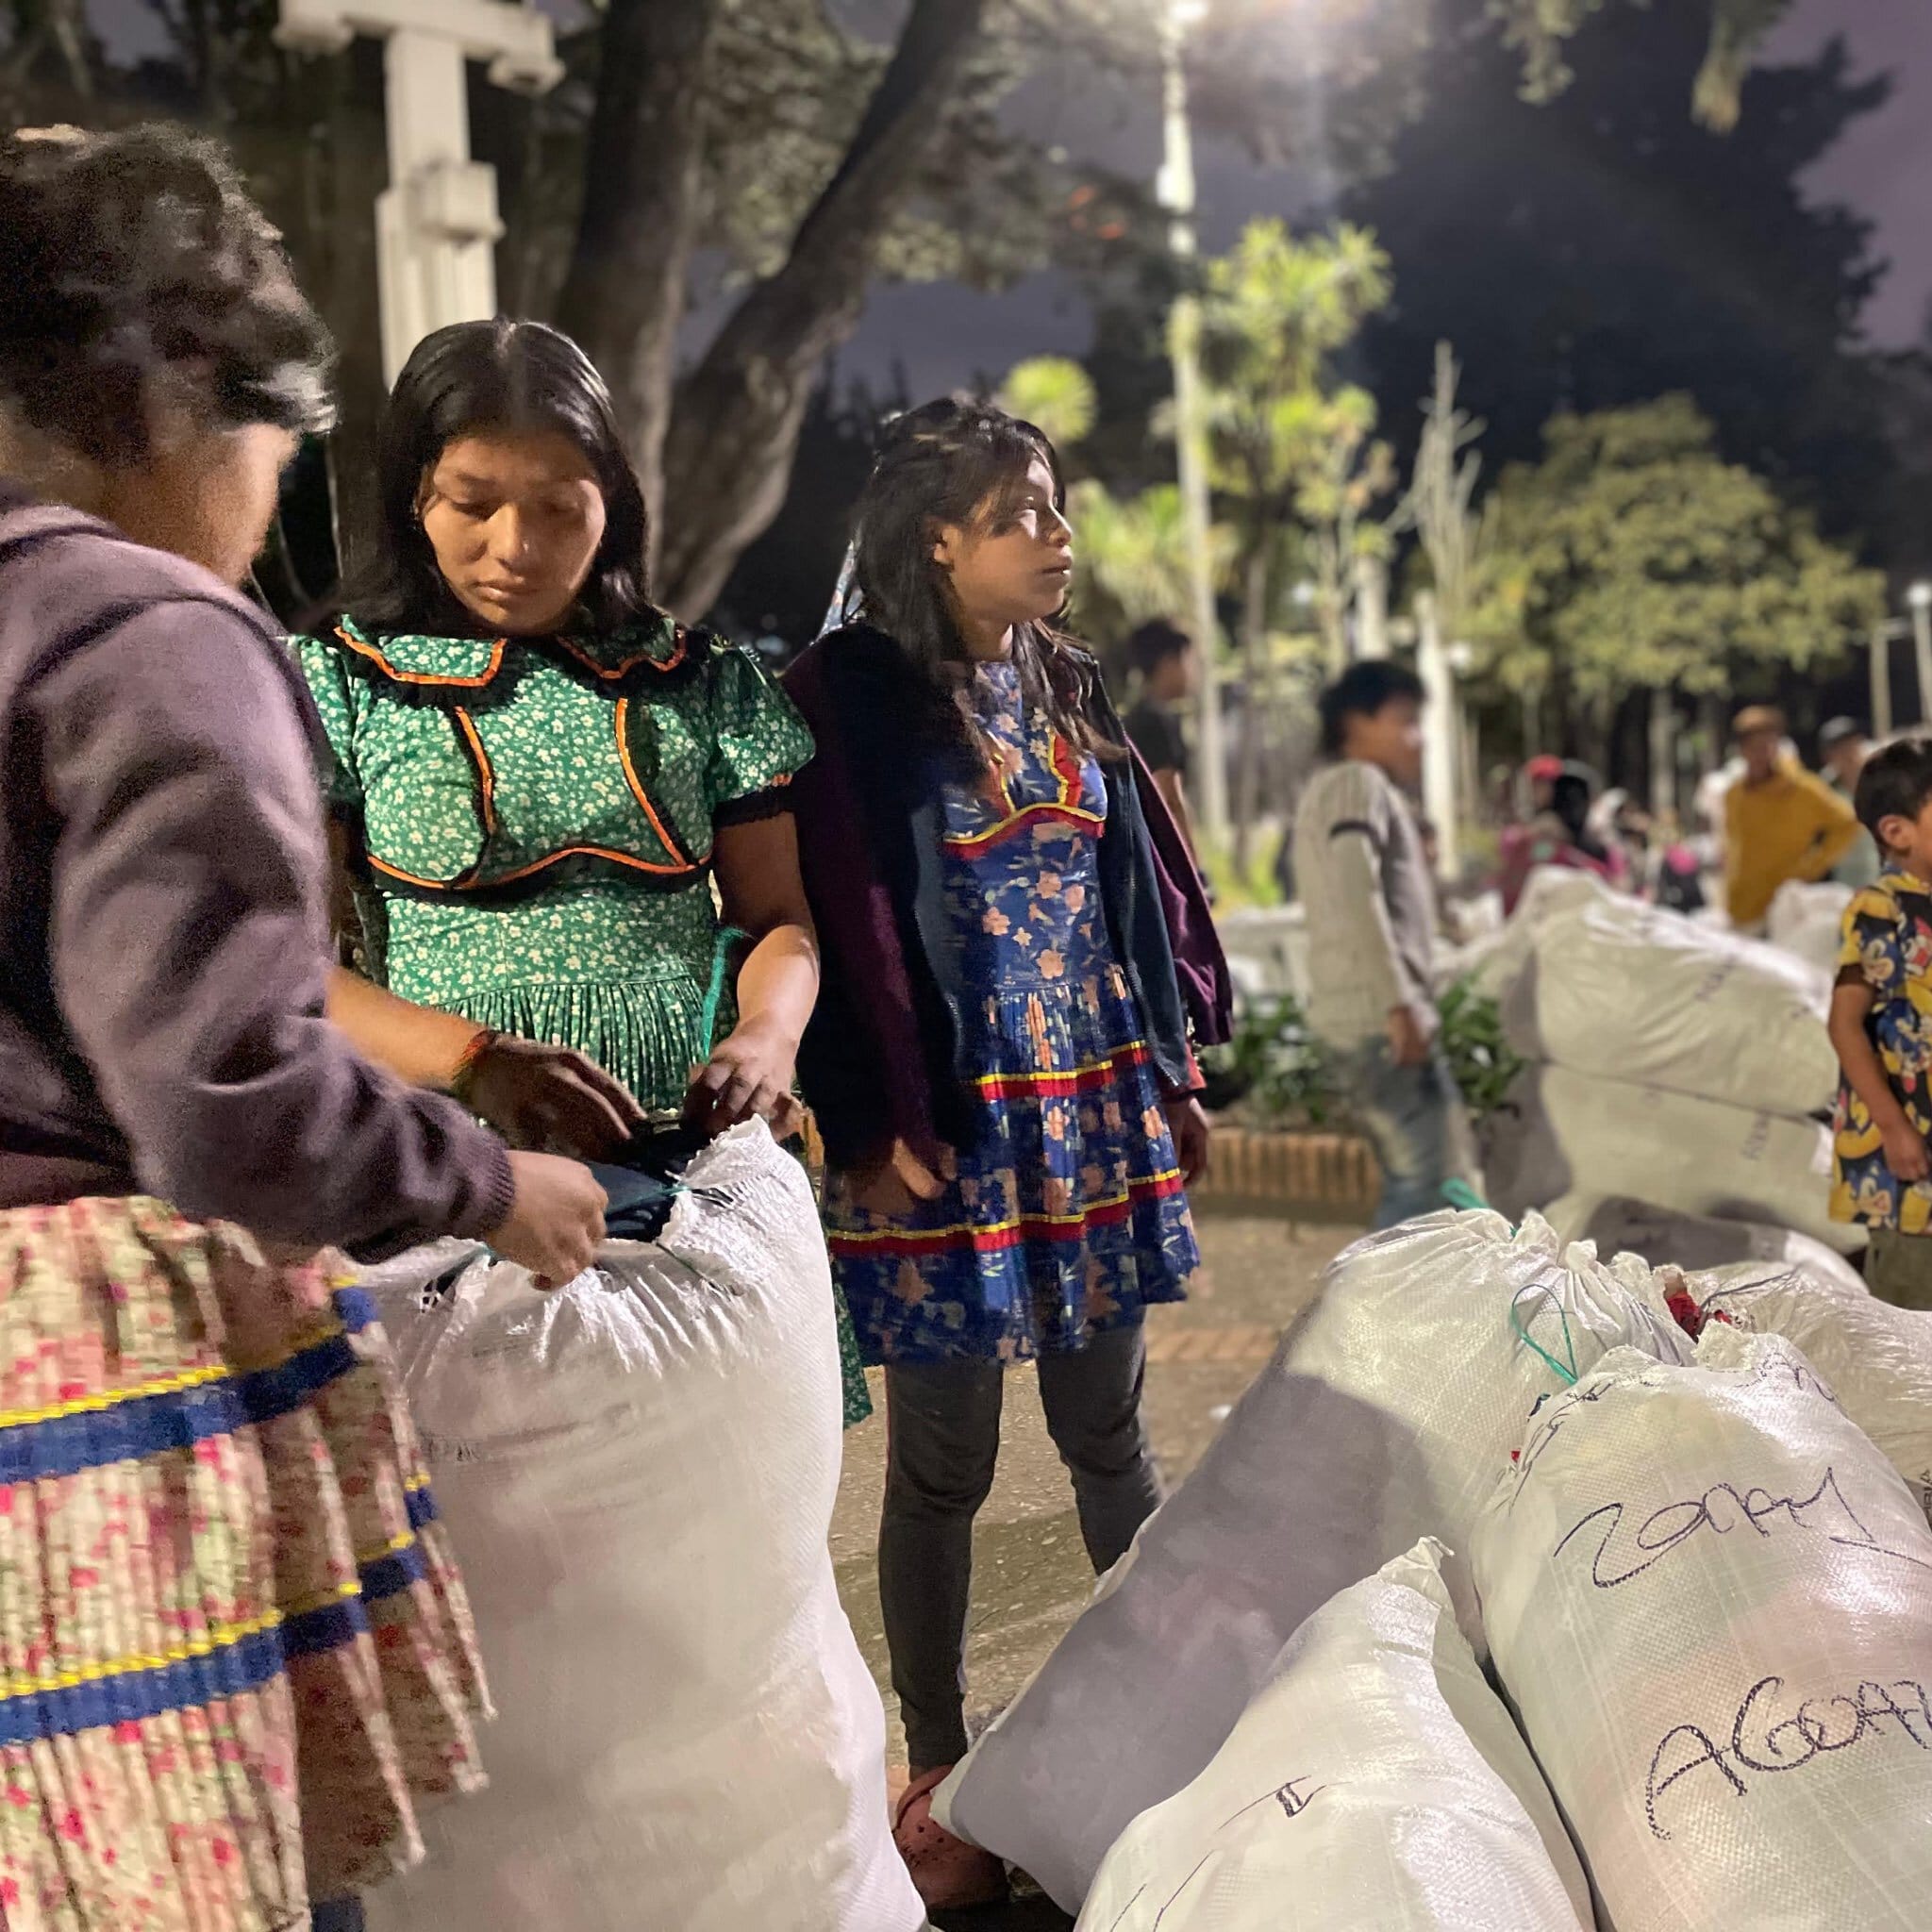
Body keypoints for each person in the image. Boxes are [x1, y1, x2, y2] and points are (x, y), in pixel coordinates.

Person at [0, 123, 614, 1929]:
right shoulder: (155, 639)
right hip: (91, 1408)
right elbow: (221, 1083)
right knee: (206, 1871)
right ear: (190, 402)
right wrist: (488, 1179)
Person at [784, 398, 1224, 1911]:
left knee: (1110, 1437)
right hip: (948, 1122)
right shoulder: (850, 693)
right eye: (1025, 512)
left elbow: (1132, 896)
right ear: (938, 537)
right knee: (945, 1467)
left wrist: (1170, 1070)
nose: (1058, 537)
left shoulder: (1065, 676)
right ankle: (941, 1768)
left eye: (1055, 509)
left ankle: (1157, 1731)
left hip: (1090, 1097)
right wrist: (860, 1118)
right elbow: (833, 919)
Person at [290, 316, 874, 1428]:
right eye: (473, 501)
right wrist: (474, 1059)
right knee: (501, 1496)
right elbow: (295, 969)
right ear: (413, 492)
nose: (516, 543)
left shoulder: (699, 683)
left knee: (712, 1485)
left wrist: (764, 1038)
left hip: (694, 1156)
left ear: (613, 499)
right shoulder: (338, 684)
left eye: (559, 508)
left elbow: (780, 922)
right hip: (458, 1156)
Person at [1293, 660, 1472, 1229]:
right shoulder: (1356, 783)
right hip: (1380, 1021)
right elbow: (1358, 889)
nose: (1417, 738)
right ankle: (1365, 1311)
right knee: (1425, 1188)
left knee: (1446, 1185)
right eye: (1405, 720)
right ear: (1356, 722)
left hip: (1371, 1016)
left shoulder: (1343, 788)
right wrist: (1399, 1004)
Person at [1826, 737, 1932, 1308]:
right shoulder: (1881, 907)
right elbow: (1845, 1025)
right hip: (1909, 1156)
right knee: (1917, 1311)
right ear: (1897, 832)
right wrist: (1893, 1127)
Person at [1724, 704, 1860, 932]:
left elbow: (1847, 823)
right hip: (1742, 908)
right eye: (1754, 747)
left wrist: (1810, 868)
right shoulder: (1734, 794)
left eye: (1768, 745)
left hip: (1784, 907)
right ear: (1742, 750)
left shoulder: (1802, 789)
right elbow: (1733, 847)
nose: (1761, 754)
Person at [1122, 617, 1202, 868]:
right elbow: (1170, 797)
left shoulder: (1133, 717)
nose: (1193, 671)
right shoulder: (1158, 721)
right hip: (1163, 857)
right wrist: (1193, 867)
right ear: (1168, 662)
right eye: (1190, 661)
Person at [1494, 767, 1628, 914]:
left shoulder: (1602, 846)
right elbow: (1533, 867)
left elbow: (1618, 888)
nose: (1574, 807)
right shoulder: (1542, 840)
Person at [1819, 715, 1882, 890]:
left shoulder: (1880, 783)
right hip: (1844, 883)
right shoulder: (1824, 793)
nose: (1848, 753)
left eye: (1852, 745)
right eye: (1840, 749)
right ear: (1828, 756)